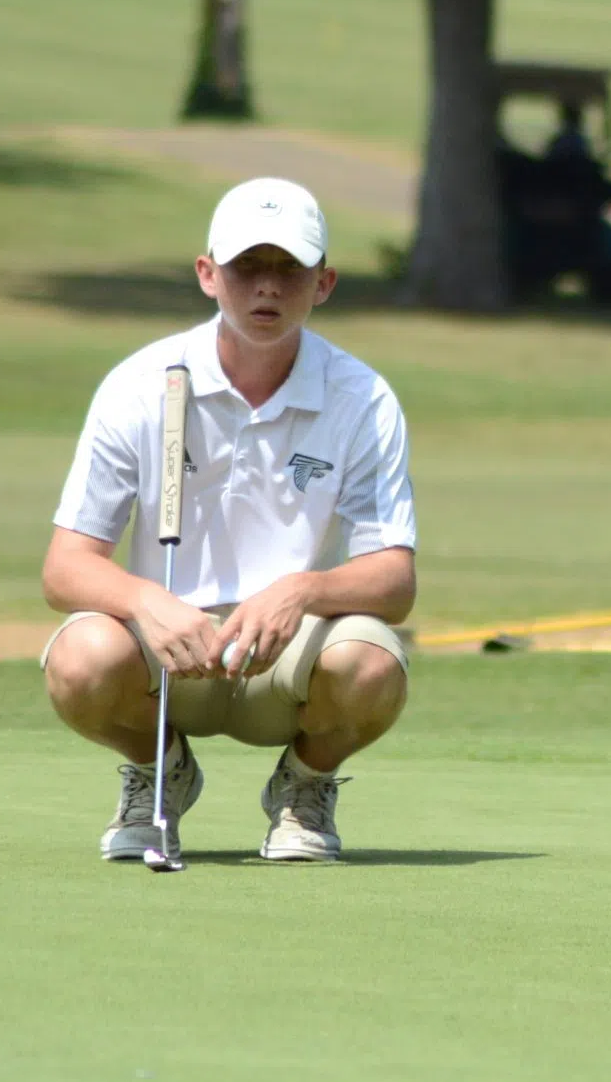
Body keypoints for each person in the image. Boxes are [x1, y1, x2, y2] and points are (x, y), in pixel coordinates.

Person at [40, 178, 417, 863]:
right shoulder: (141, 384)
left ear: (324, 282)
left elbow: (394, 579)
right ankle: (160, 770)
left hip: (288, 655)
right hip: (169, 654)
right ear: (208, 275)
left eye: (288, 269)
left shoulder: (362, 398)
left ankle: (304, 787)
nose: (266, 287)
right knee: (79, 658)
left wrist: (300, 591)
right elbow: (65, 566)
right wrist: (146, 600)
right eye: (247, 266)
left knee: (371, 663)